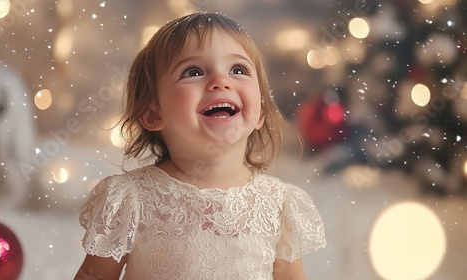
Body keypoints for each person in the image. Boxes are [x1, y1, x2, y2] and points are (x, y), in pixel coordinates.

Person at [74, 11, 326, 280]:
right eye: (193, 71)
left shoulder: (278, 204)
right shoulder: (132, 199)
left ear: (260, 112)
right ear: (153, 114)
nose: (221, 82)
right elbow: (94, 276)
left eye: (238, 70)